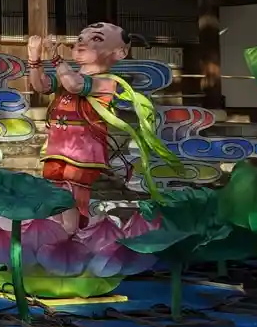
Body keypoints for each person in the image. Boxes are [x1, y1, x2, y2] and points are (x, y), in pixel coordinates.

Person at [26, 22, 179, 224]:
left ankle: (71, 231)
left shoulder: (107, 82)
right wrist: (34, 58)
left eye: (96, 39)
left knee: (73, 191)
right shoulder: (66, 74)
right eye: (80, 39)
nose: (82, 44)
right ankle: (55, 229)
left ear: (120, 52)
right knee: (52, 187)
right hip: (57, 145)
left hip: (83, 149)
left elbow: (75, 85)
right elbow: (41, 86)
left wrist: (55, 58)